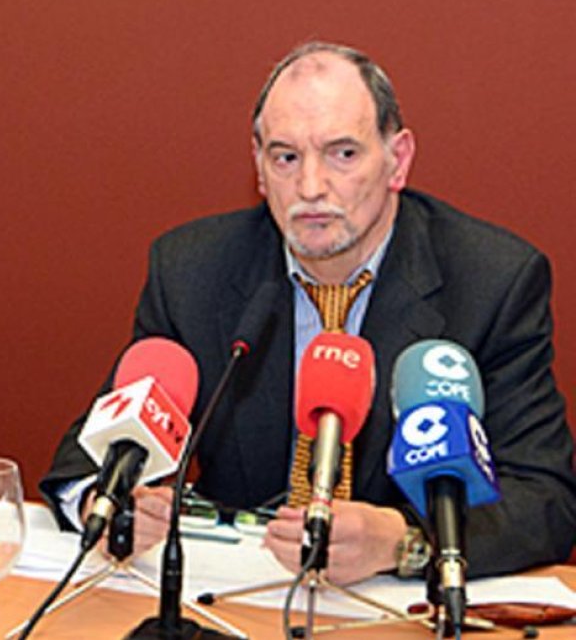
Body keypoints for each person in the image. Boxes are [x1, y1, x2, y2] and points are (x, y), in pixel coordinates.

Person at [41, 41, 576, 584]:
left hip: (394, 609)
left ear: (398, 159)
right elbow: (90, 459)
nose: (311, 187)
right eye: (286, 157)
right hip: (242, 598)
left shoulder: (491, 281)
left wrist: (405, 540)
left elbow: (547, 501)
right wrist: (102, 505)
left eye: (343, 154)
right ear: (258, 166)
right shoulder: (192, 271)